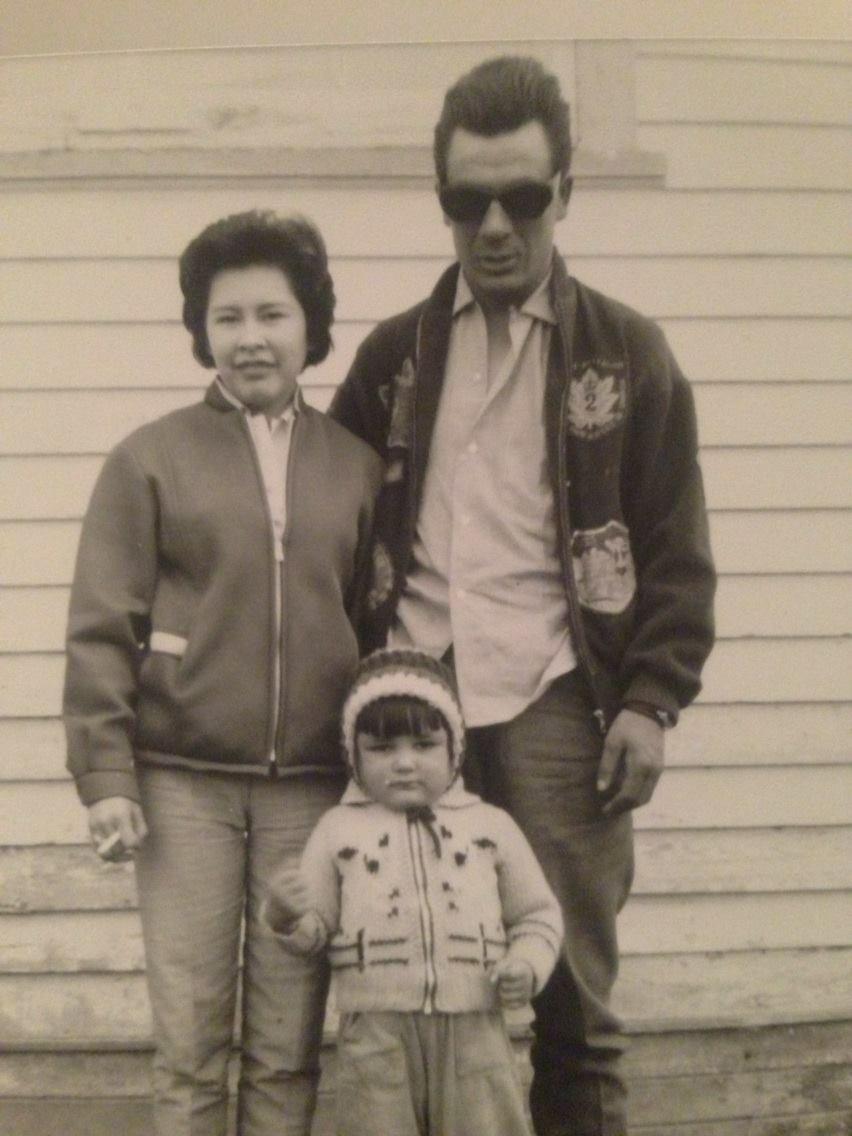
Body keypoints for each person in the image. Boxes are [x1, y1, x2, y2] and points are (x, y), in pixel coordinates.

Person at [329, 55, 716, 1136]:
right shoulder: (393, 358)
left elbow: (677, 544)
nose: (495, 225)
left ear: (566, 193)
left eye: (523, 197)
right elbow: (328, 527)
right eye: (468, 201)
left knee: (573, 1007)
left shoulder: (628, 354)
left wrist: (651, 700)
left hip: (557, 699)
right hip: (412, 703)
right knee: (403, 999)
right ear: (443, 201)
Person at [62, 209, 383, 1136]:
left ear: (310, 325)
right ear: (201, 330)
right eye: (228, 316)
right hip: (182, 791)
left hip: (310, 795)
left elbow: (376, 627)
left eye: (272, 314)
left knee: (287, 1049)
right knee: (191, 1047)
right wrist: (106, 775)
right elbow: (101, 626)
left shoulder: (356, 468)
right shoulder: (149, 459)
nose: (251, 338)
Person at [264, 648, 564, 1136]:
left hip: (474, 1033)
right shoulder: (337, 830)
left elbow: (537, 916)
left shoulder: (492, 826)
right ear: (354, 755)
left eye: (424, 745)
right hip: (376, 1036)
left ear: (454, 749)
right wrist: (286, 916)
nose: (404, 763)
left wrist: (527, 964)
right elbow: (314, 932)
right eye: (382, 748)